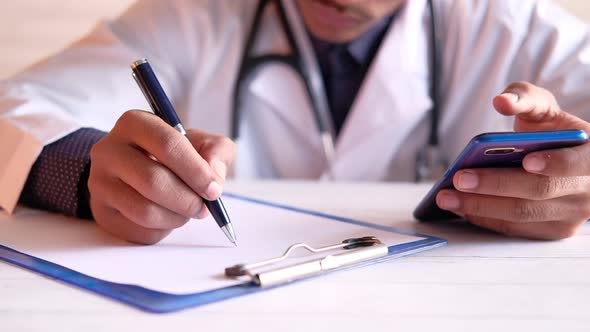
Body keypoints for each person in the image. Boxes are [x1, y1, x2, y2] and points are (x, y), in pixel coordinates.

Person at [1, 0, 590, 244]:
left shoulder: (514, 25)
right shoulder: (193, 14)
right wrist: (83, 173)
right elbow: (12, 112)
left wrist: (576, 173)